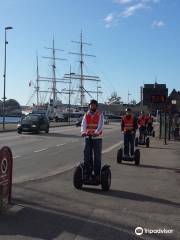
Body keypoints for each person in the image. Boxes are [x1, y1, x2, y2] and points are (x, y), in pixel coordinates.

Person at [81, 99, 104, 182]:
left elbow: (101, 125)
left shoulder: (100, 114)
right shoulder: (86, 115)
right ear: (89, 106)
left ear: (96, 106)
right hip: (87, 138)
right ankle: (87, 174)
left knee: (97, 157)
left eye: (94, 105)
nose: (92, 106)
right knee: (87, 156)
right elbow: (83, 124)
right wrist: (83, 132)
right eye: (91, 105)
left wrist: (96, 132)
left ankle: (97, 175)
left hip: (97, 138)